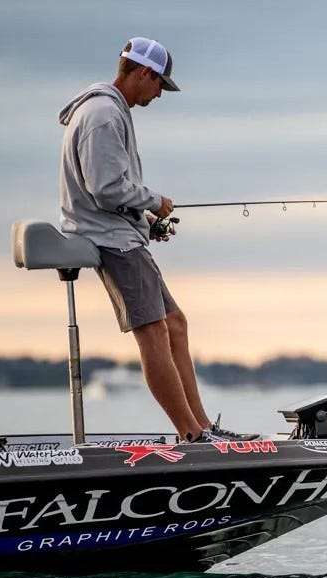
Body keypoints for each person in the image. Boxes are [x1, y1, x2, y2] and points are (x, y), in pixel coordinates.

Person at [58, 37, 227, 443]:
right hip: (111, 241)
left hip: (120, 232)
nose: (159, 95)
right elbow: (105, 188)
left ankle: (203, 428)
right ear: (144, 73)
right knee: (154, 335)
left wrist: (144, 219)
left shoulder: (108, 111)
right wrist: (154, 200)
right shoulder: (102, 114)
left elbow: (107, 191)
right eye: (159, 85)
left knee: (175, 324)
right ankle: (192, 435)